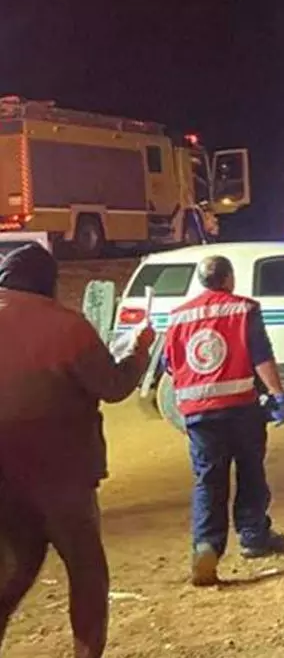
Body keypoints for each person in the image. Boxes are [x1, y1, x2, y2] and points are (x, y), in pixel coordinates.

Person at [0, 243, 155, 658]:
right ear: (48, 283)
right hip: (62, 475)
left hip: (4, 479)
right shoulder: (67, 327)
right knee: (87, 573)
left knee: (12, 572)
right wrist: (139, 350)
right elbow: (113, 385)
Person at [161, 255, 284, 586]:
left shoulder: (178, 316)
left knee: (208, 479)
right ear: (228, 278)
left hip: (198, 413)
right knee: (250, 471)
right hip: (241, 407)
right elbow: (260, 355)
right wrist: (277, 394)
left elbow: (170, 365)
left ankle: (206, 545)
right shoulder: (244, 309)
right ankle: (253, 535)